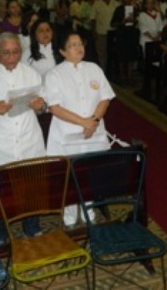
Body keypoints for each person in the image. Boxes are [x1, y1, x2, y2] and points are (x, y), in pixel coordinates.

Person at [0, 33, 46, 238]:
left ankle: (32, 227)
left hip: (28, 138)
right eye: (6, 53)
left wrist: (40, 107)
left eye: (16, 52)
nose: (11, 57)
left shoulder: (31, 74)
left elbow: (41, 110)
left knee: (30, 185)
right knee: (0, 191)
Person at [45, 31, 116, 226]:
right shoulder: (55, 74)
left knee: (90, 171)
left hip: (93, 130)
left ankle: (89, 207)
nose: (79, 48)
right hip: (67, 133)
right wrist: (83, 122)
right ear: (62, 51)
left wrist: (93, 120)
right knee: (69, 174)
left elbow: (105, 98)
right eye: (72, 45)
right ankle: (69, 211)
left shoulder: (94, 68)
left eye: (80, 44)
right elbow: (54, 107)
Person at [111, 0, 140, 85]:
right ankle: (123, 77)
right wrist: (122, 22)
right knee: (122, 57)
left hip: (131, 35)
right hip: (122, 35)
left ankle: (130, 76)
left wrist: (134, 21)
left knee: (130, 57)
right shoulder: (118, 9)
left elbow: (136, 23)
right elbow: (112, 24)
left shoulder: (133, 9)